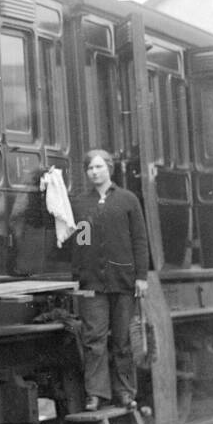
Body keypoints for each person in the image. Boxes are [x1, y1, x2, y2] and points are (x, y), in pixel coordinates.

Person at [70, 149, 150, 410]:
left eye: (99, 167)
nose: (94, 172)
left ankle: (125, 392)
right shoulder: (80, 203)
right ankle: (96, 394)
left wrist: (141, 277)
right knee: (94, 339)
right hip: (92, 282)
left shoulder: (128, 200)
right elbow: (79, 241)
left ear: (109, 169)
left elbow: (139, 240)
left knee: (123, 339)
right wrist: (79, 274)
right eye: (90, 168)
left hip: (124, 281)